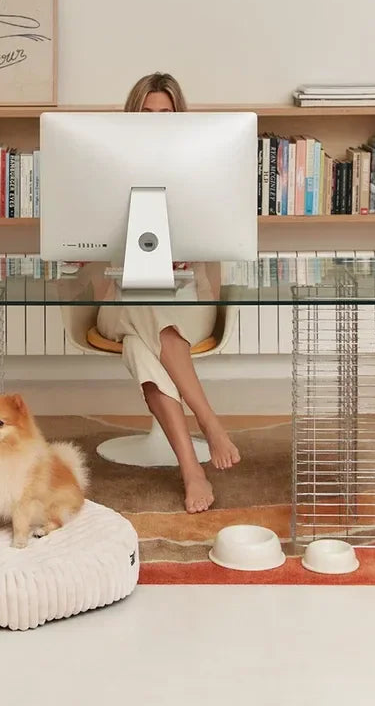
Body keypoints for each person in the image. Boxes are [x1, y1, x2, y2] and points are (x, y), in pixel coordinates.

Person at [97, 72, 241, 515]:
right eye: (147, 113)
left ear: (179, 117)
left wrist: (190, 253)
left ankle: (190, 471)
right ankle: (209, 421)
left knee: (146, 342)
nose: (157, 121)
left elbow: (223, 235)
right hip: (116, 296)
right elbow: (86, 240)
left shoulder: (202, 166)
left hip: (186, 296)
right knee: (145, 304)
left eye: (166, 113)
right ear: (131, 116)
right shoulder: (103, 166)